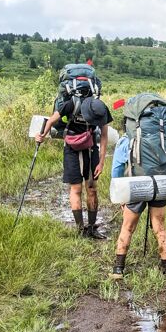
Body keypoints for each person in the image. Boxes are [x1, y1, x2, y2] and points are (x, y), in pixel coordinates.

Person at [35, 95, 112, 238]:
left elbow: (104, 136)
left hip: (91, 150)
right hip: (71, 149)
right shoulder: (72, 104)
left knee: (92, 188)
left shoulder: (102, 109)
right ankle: (80, 229)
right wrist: (42, 135)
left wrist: (101, 163)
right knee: (76, 189)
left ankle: (92, 228)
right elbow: (51, 120)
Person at [109, 128, 166, 278]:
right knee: (160, 228)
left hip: (136, 186)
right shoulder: (160, 136)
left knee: (127, 227)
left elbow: (117, 169)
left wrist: (121, 195)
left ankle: (118, 269)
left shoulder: (126, 140)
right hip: (159, 184)